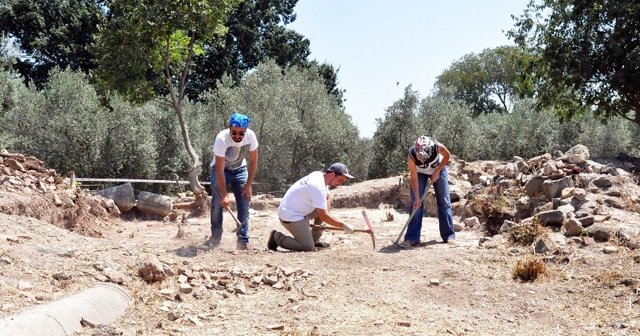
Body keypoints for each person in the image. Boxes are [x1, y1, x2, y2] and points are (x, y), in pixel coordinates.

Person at [267, 163, 356, 252]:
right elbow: (323, 216)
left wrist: (327, 214)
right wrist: (343, 225)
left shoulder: (320, 176)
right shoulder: (317, 186)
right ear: (332, 174)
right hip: (291, 216)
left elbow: (327, 197)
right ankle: (277, 237)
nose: (340, 184)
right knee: (308, 248)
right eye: (340, 180)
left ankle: (314, 240)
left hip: (298, 211)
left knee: (323, 210)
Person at [208, 112, 259, 250]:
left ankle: (243, 240)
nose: (237, 136)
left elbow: (254, 162)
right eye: (234, 132)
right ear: (229, 127)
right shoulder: (221, 139)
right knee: (217, 205)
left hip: (240, 169)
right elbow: (219, 170)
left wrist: (248, 186)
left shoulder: (251, 136)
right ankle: (215, 238)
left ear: (245, 131)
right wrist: (224, 195)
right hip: (221, 170)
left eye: (241, 133)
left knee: (244, 203)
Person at [401, 135, 456, 248]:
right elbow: (414, 178)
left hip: (438, 169)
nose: (421, 158)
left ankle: (448, 235)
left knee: (444, 201)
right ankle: (412, 238)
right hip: (420, 173)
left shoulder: (437, 147)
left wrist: (437, 171)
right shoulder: (411, 155)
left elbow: (447, 156)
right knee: (415, 204)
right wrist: (416, 197)